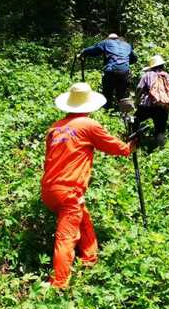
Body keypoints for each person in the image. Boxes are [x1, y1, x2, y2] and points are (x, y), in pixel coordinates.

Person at [41, 82, 136, 289]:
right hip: (69, 189)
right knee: (67, 236)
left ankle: (90, 260)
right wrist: (130, 146)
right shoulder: (88, 125)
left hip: (49, 189)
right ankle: (59, 285)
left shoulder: (55, 128)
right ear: (89, 105)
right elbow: (117, 148)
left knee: (83, 219)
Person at [80, 33, 137, 110]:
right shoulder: (127, 45)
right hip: (124, 72)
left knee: (107, 93)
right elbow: (134, 58)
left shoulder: (106, 42)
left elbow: (94, 50)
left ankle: (107, 112)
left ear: (109, 38)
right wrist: (124, 63)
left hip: (111, 71)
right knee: (122, 95)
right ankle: (123, 114)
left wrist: (83, 52)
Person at [135, 54, 169, 147]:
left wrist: (136, 101)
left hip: (147, 107)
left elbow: (139, 89)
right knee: (160, 131)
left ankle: (135, 143)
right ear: (163, 65)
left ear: (152, 66)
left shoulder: (147, 75)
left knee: (135, 121)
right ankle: (160, 149)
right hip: (163, 107)